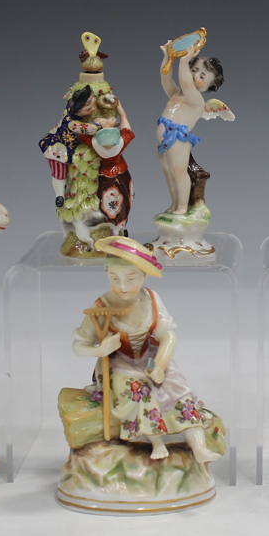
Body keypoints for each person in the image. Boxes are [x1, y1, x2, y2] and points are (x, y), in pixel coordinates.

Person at [72, 236, 222, 463]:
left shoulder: (151, 298)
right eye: (114, 278)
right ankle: (156, 442)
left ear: (144, 275)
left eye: (130, 278)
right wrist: (99, 350)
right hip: (119, 362)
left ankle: (199, 447)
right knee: (138, 389)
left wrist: (160, 365)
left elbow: (167, 335)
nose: (122, 286)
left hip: (150, 356)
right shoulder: (102, 306)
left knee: (176, 387)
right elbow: (78, 345)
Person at [156, 42, 224, 214]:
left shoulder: (196, 100)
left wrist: (184, 62)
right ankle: (174, 203)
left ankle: (182, 206)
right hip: (164, 140)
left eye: (202, 76)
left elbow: (185, 83)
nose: (194, 76)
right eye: (194, 70)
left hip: (178, 139)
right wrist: (168, 57)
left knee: (179, 171)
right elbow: (165, 78)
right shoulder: (177, 94)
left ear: (210, 86)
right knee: (168, 172)